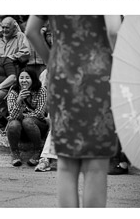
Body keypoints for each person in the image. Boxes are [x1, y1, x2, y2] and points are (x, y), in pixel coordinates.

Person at [25, 15, 121, 208]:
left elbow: (30, 31)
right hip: (99, 76)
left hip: (63, 76)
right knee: (95, 166)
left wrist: (52, 62)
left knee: (67, 165)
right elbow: (113, 31)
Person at [6, 67, 48, 167]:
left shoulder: (41, 90)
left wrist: (23, 116)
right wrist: (19, 100)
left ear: (33, 79)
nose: (24, 80)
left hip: (37, 125)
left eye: (27, 78)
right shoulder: (14, 91)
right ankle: (15, 153)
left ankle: (37, 151)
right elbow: (12, 115)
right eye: (21, 78)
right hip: (20, 126)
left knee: (27, 122)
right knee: (13, 124)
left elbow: (39, 113)